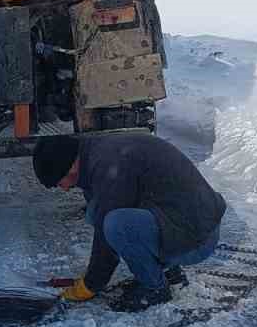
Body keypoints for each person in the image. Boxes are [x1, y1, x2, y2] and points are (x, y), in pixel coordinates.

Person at [32, 132, 226, 312]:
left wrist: (90, 285)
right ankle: (168, 272)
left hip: (197, 240)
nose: (64, 189)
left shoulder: (109, 166)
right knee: (98, 211)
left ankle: (154, 289)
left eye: (59, 183)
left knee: (117, 225)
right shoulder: (96, 154)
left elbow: (106, 238)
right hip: (192, 223)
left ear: (70, 166)